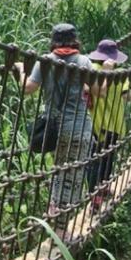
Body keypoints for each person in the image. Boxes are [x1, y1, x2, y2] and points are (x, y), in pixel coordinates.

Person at [22, 23, 95, 239]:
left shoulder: (44, 62)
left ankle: (54, 211)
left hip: (56, 129)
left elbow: (28, 89)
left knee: (59, 169)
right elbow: (97, 91)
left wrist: (19, 70)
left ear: (53, 41)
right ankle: (62, 228)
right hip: (80, 128)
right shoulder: (84, 61)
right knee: (73, 175)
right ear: (75, 40)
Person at [84, 39, 131, 211]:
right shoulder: (120, 74)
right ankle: (98, 193)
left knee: (95, 159)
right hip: (113, 124)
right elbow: (125, 96)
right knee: (107, 160)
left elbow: (87, 89)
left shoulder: (89, 70)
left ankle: (98, 192)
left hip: (93, 123)